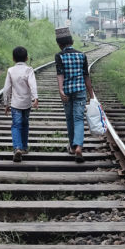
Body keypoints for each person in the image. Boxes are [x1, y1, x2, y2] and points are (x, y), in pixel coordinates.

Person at [54, 27, 93, 163]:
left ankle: (72, 146)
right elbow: (86, 76)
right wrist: (91, 94)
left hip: (67, 92)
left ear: (59, 44)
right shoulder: (82, 55)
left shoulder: (59, 56)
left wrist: (61, 90)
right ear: (72, 41)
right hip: (80, 91)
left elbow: (60, 74)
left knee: (69, 119)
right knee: (78, 119)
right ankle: (78, 147)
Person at [3, 46, 39, 162]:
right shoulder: (29, 70)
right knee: (25, 124)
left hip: (15, 104)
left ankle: (17, 148)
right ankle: (23, 147)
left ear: (13, 58)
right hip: (26, 104)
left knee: (16, 125)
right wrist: (35, 98)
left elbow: (6, 89)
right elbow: (33, 85)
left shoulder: (10, 70)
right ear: (27, 58)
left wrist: (6, 104)